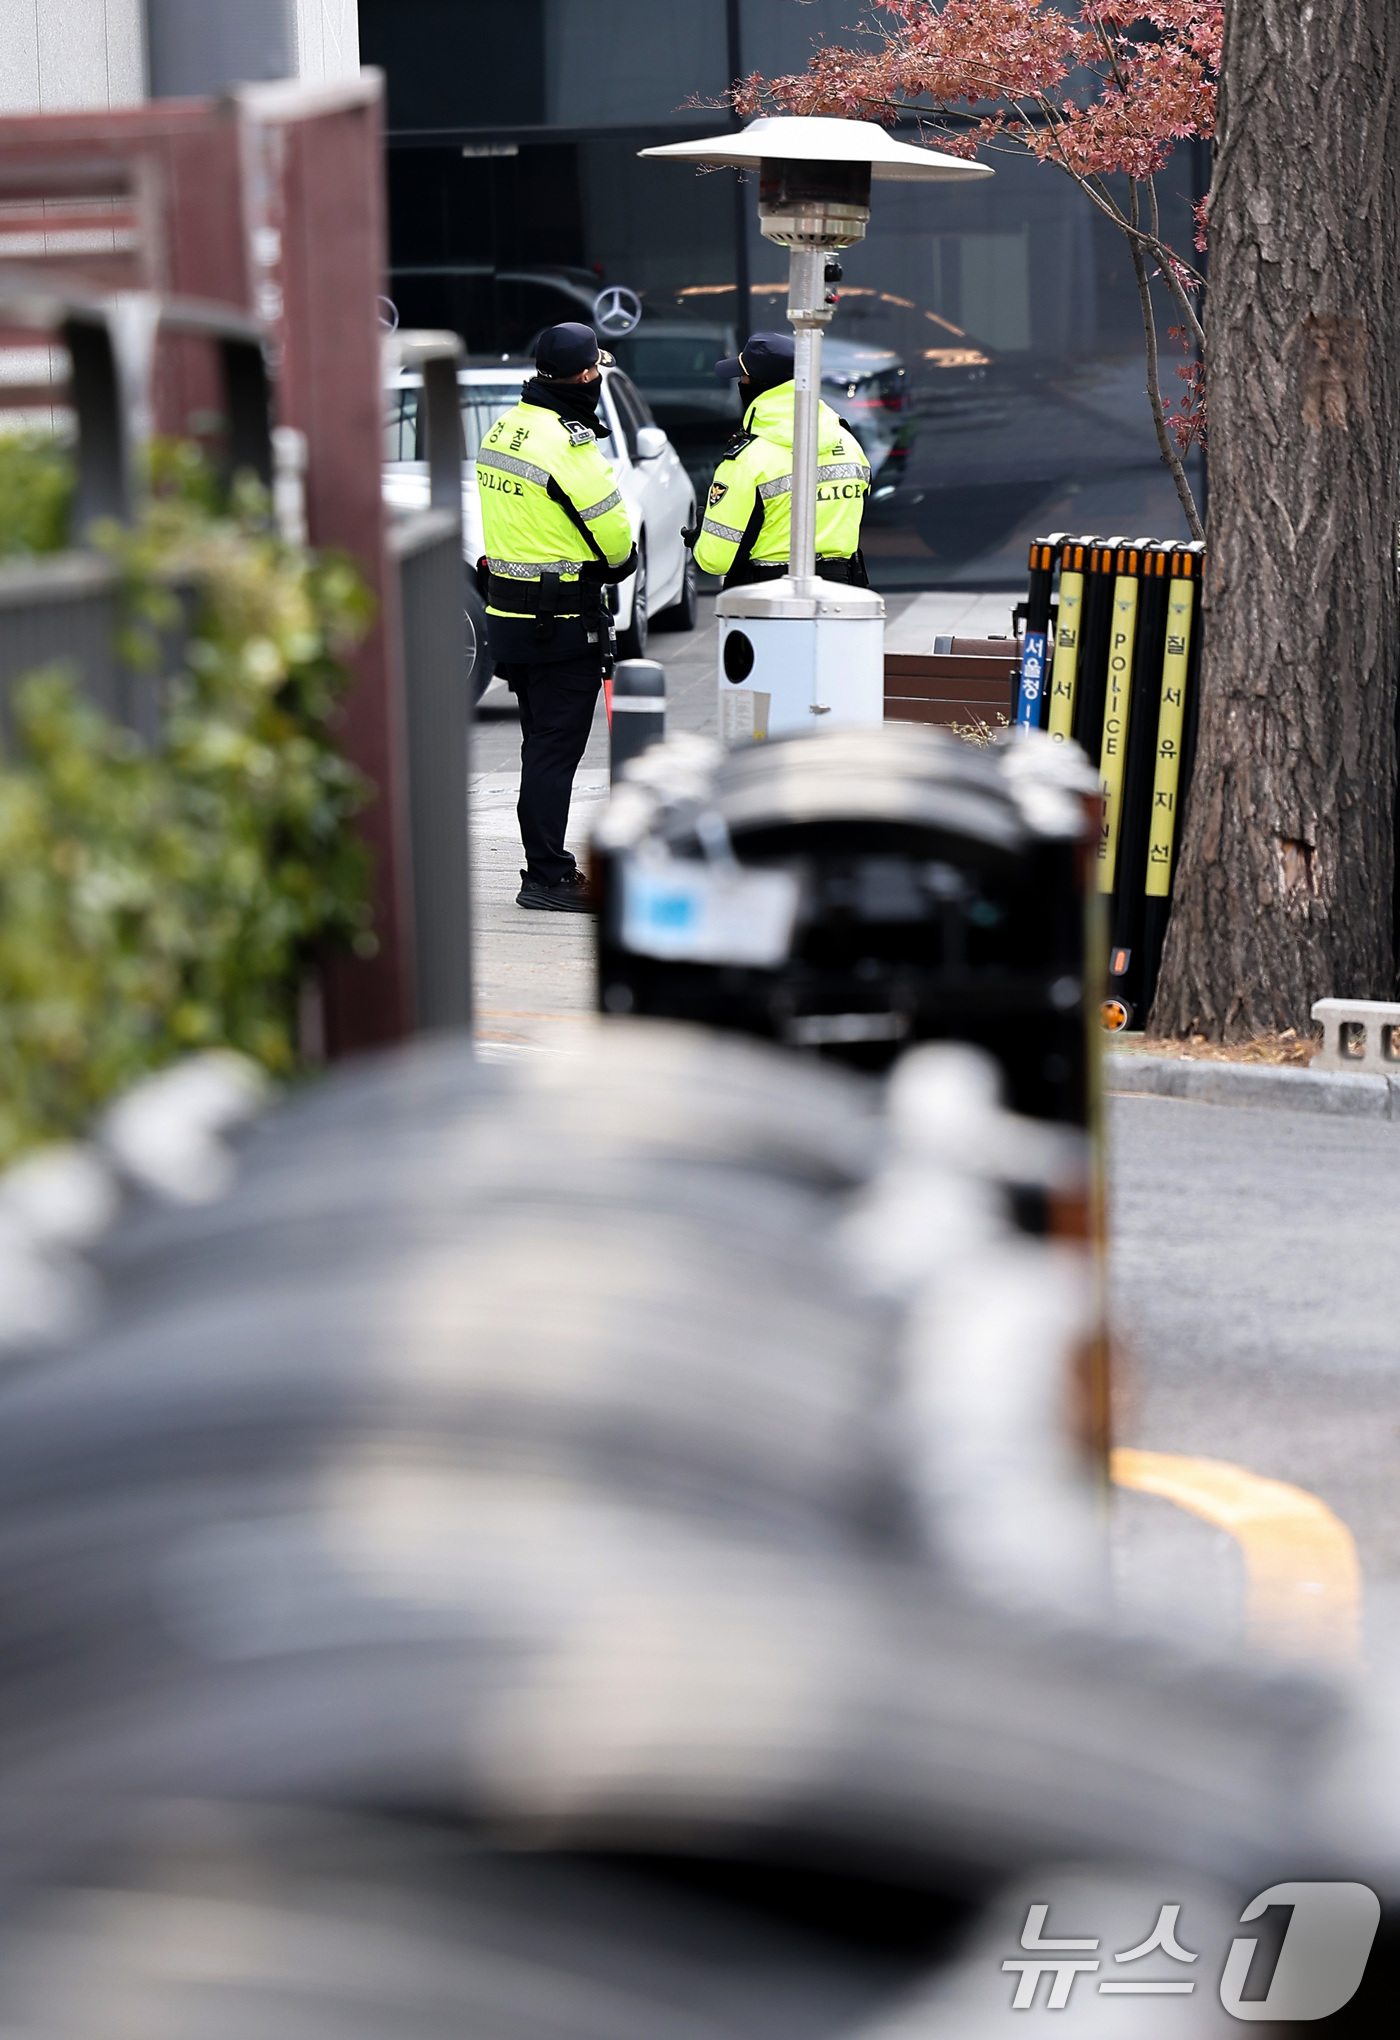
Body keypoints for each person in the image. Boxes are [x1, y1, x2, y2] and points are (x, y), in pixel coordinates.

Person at [477, 322, 637, 913]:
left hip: (509, 616)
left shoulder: (506, 426)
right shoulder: (568, 445)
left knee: (536, 743)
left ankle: (545, 868)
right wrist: (618, 562)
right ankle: (546, 876)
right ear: (588, 374)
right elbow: (616, 542)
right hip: (562, 620)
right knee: (553, 750)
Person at [691, 332, 872, 590]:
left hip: (766, 600)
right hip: (841, 595)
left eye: (743, 376)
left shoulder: (746, 461)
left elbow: (714, 560)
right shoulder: (848, 443)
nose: (740, 382)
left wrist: (702, 536)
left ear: (759, 385)